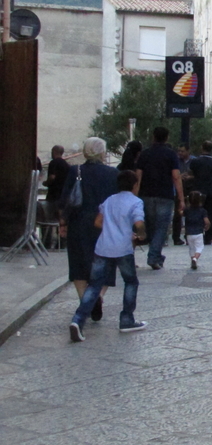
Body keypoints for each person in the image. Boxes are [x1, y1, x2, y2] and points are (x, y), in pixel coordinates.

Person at [68, 170, 148, 342]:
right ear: (134, 185)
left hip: (103, 247)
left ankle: (77, 320)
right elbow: (139, 223)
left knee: (94, 285)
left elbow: (98, 222)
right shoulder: (135, 202)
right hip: (123, 248)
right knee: (131, 282)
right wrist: (140, 234)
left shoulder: (109, 200)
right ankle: (126, 319)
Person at [59, 138, 120, 322]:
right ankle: (98, 296)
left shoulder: (74, 171)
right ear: (103, 153)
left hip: (79, 222)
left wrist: (63, 224)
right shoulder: (113, 173)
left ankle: (85, 300)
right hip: (104, 223)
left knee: (79, 263)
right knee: (106, 263)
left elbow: (64, 201)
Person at [135, 127, 184, 270]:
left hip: (146, 194)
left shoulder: (145, 154)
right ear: (167, 137)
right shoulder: (171, 155)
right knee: (162, 227)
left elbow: (138, 176)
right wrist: (181, 198)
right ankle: (154, 256)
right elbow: (176, 176)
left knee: (150, 226)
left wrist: (134, 196)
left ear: (153, 137)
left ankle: (155, 254)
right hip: (165, 195)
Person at [188, 141, 212, 244]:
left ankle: (194, 233)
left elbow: (192, 172)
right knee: (209, 213)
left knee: (195, 212)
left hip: (197, 189)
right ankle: (208, 236)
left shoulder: (195, 161)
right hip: (210, 189)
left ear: (202, 148)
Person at [42, 145, 70, 247]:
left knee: (47, 219)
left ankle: (47, 242)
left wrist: (46, 183)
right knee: (61, 221)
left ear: (54, 151)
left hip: (53, 196)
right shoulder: (67, 165)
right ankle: (62, 242)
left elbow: (52, 177)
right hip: (63, 197)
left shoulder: (53, 163)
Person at [172, 143, 195, 246]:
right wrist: (179, 177)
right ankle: (176, 237)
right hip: (179, 189)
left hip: (191, 189)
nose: (180, 153)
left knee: (191, 213)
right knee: (178, 213)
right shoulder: (176, 161)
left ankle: (189, 236)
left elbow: (198, 174)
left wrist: (191, 177)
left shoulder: (194, 161)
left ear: (188, 151)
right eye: (179, 151)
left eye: (182, 151)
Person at [184, 191, 210, 270]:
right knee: (199, 247)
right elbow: (206, 221)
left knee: (191, 248)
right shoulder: (202, 211)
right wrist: (207, 226)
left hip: (189, 232)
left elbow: (181, 213)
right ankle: (195, 259)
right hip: (198, 232)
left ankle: (192, 259)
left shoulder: (187, 210)